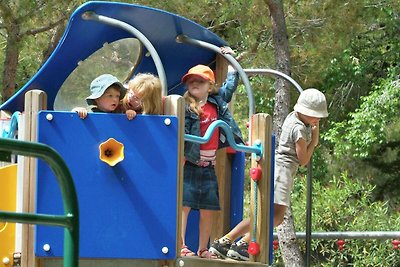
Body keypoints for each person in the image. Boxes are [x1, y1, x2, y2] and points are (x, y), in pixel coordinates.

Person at [209, 88, 329, 261]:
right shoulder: (299, 129)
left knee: (266, 215)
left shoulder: (292, 118)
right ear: (304, 111)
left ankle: (228, 241)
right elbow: (303, 160)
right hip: (284, 170)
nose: (317, 119)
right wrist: (314, 142)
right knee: (276, 217)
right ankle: (240, 242)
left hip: (279, 167)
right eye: (314, 115)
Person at [180, 63, 243, 259]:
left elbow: (230, 88)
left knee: (208, 209)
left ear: (210, 85)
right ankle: (180, 244)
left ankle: (203, 248)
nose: (194, 83)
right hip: (189, 163)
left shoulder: (216, 102)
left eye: (200, 80)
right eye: (191, 81)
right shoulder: (185, 106)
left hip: (209, 166)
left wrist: (233, 68)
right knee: (184, 206)